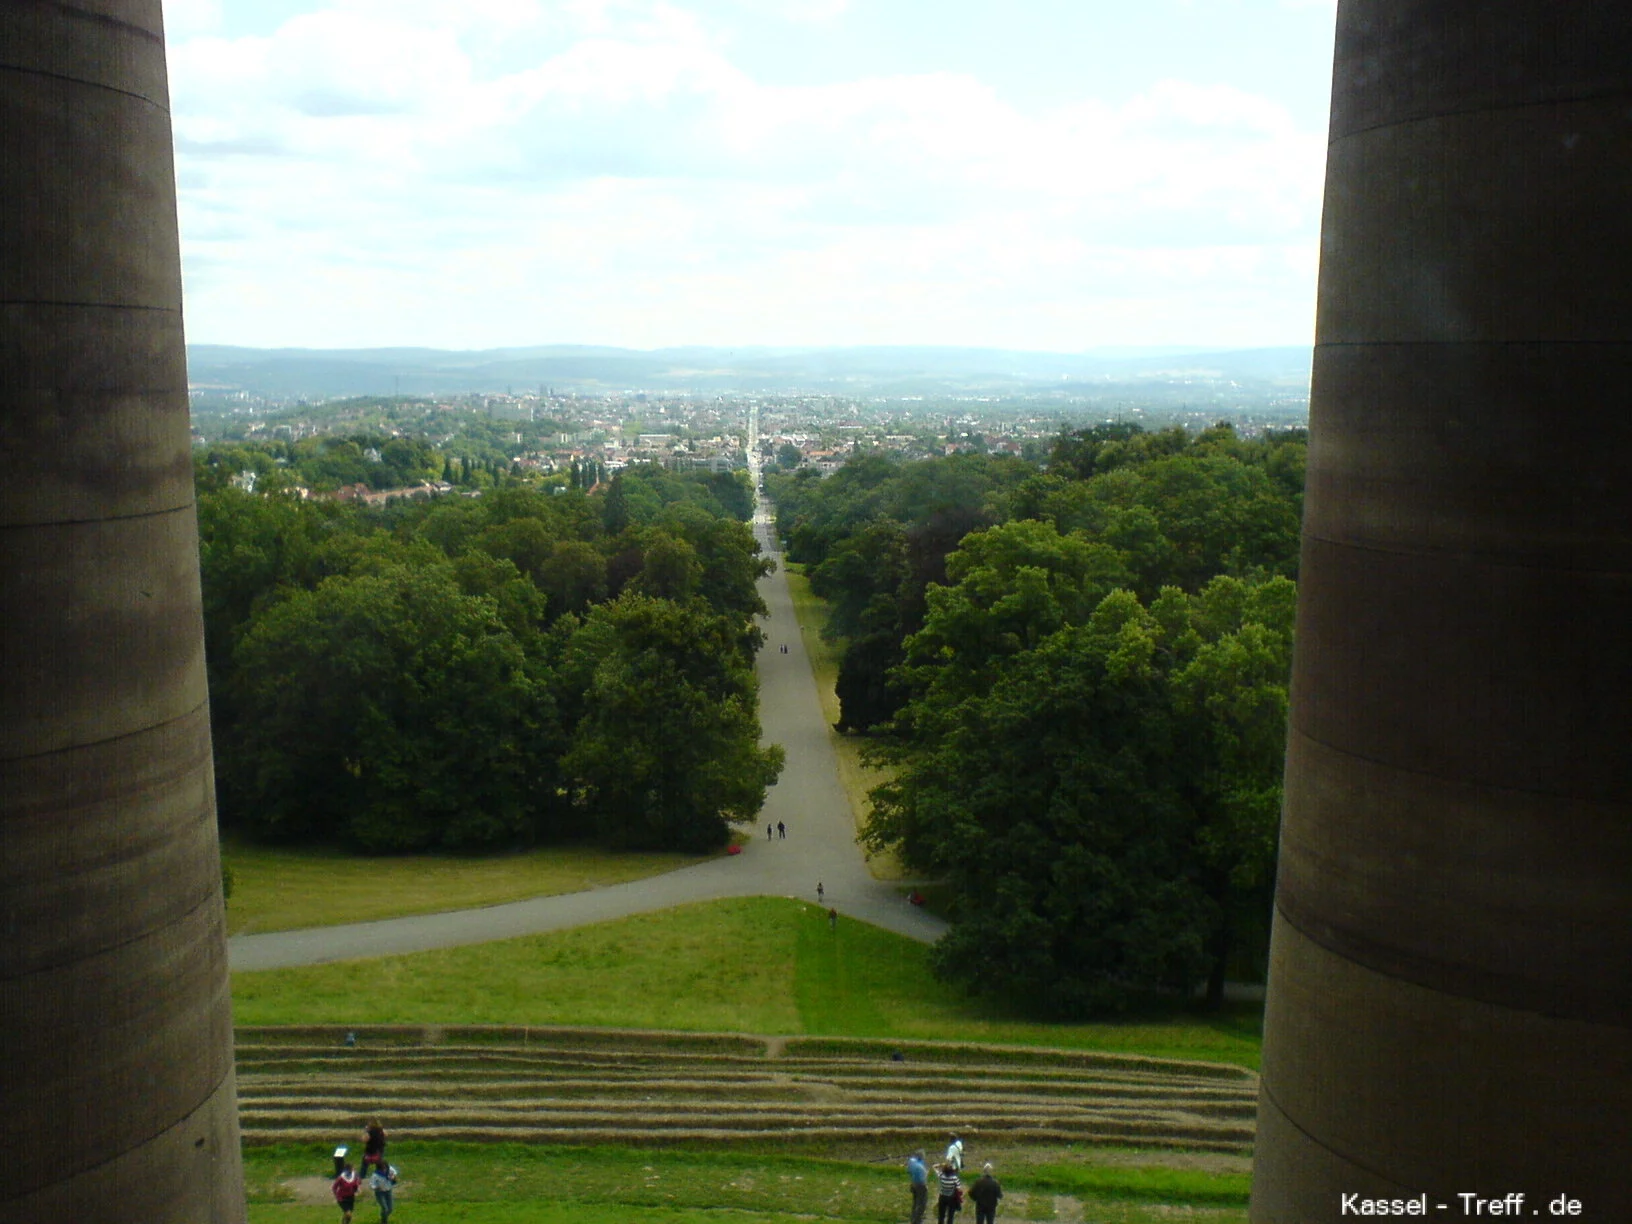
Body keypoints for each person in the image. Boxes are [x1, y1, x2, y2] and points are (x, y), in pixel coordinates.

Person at [906, 1150, 929, 1224]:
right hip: (921, 1185)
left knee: (915, 1202)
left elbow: (909, 1171)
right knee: (922, 1204)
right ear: (921, 1157)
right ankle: (917, 1221)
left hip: (913, 1184)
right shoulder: (920, 1166)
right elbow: (923, 1178)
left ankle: (913, 1218)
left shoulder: (911, 1162)